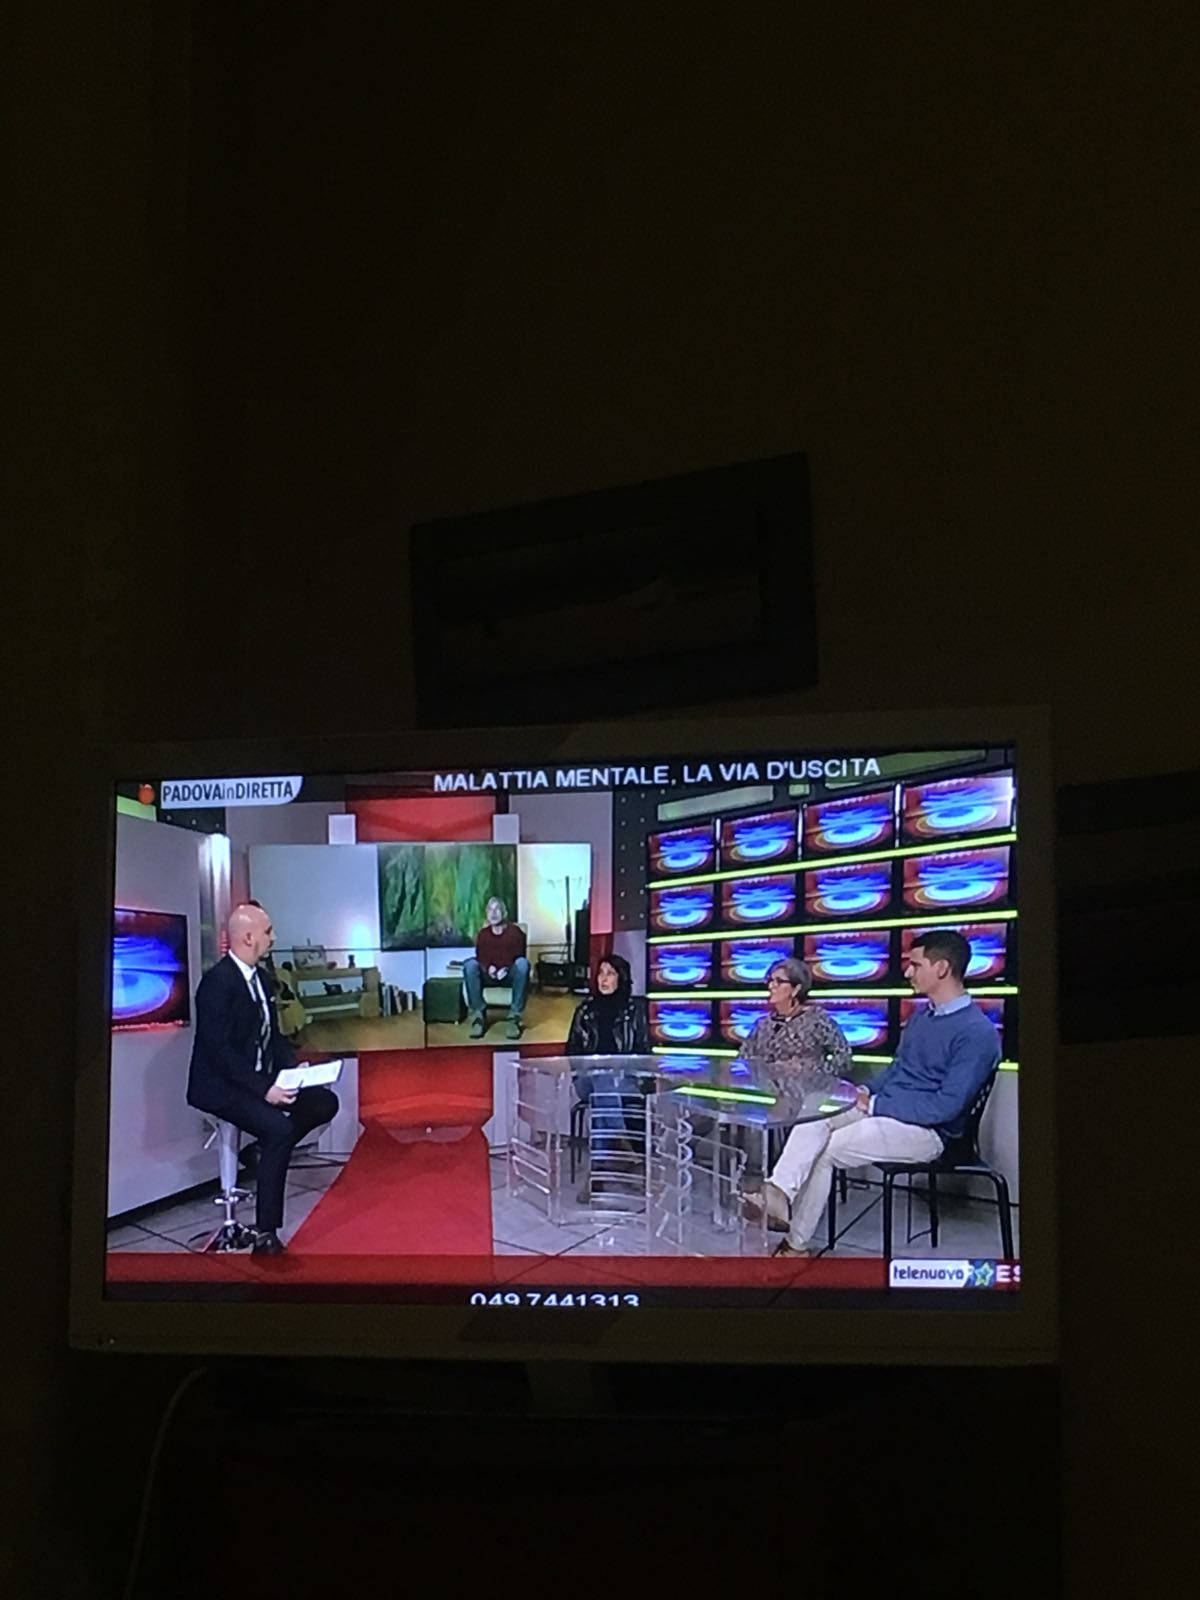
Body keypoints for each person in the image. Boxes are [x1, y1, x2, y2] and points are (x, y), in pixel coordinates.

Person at [746, 929, 1000, 1256]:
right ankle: (778, 1193)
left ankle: (794, 1246)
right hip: (889, 1109)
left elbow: (945, 1107)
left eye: (915, 965)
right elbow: (898, 1071)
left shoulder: (977, 1033)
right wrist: (865, 1090)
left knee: (827, 1148)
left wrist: (877, 1103)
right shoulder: (922, 1019)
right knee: (816, 1107)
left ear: (942, 968)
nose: (907, 972)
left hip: (930, 1132)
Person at [186, 903, 339, 1255]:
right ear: (247, 937)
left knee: (323, 1102)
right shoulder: (217, 983)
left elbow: (273, 1037)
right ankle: (266, 1233)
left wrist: (293, 1070)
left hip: (256, 1078)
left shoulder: (261, 979)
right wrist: (265, 1089)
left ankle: (259, 1152)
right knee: (278, 1129)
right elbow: (220, 1052)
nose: (274, 938)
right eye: (268, 932)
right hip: (220, 1086)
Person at [741, 956, 852, 1090]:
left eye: (779, 981)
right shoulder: (762, 1025)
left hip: (808, 1096)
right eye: (770, 981)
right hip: (769, 1094)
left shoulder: (817, 1021)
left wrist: (815, 1076)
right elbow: (744, 1058)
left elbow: (843, 1057)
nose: (771, 986)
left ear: (796, 989)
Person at [463, 896, 529, 1040]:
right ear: (486, 913)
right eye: (490, 910)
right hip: (489, 975)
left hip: (509, 975)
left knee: (523, 964)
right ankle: (479, 1016)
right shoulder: (483, 934)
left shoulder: (515, 932)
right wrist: (488, 968)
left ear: (504, 913)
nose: (493, 913)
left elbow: (520, 955)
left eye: (497, 909)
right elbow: (481, 957)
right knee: (470, 965)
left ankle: (514, 1018)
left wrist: (506, 968)